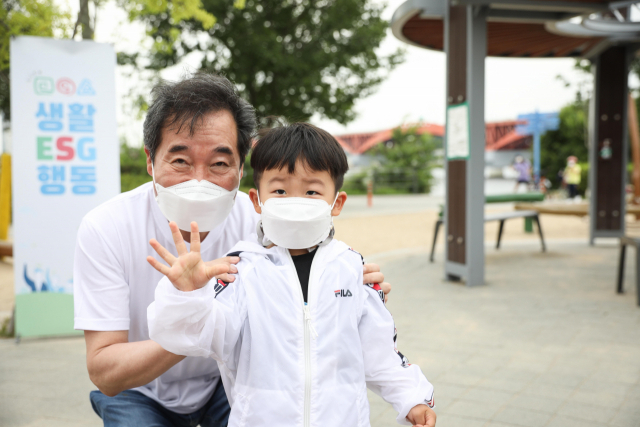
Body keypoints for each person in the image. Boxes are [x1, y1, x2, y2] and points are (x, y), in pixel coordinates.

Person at [73, 74, 390, 426]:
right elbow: (106, 372)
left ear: (241, 167)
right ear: (150, 160)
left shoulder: (262, 219)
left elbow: (304, 298)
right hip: (139, 390)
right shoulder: (106, 227)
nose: (199, 180)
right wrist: (193, 323)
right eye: (180, 161)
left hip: (229, 382)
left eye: (220, 164)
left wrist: (350, 293)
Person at [147, 122, 436, 427]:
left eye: (312, 191)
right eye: (280, 190)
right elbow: (201, 337)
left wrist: (412, 398)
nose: (295, 202)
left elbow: (379, 351)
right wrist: (189, 295)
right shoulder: (239, 269)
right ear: (257, 200)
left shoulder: (352, 269)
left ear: (336, 203)